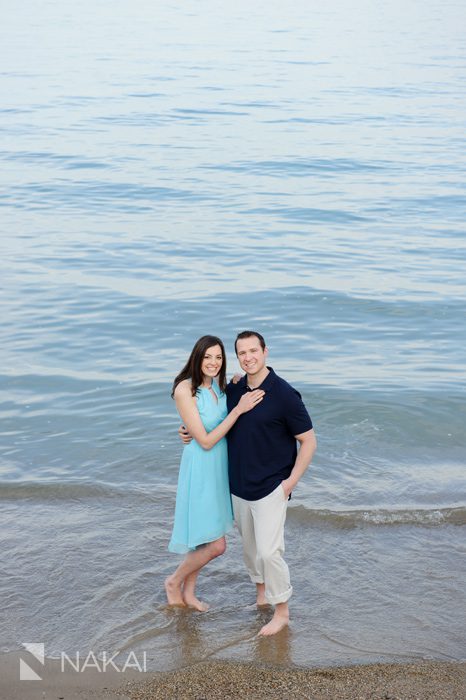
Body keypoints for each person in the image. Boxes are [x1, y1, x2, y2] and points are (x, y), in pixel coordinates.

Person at [179, 331, 316, 635]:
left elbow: (308, 441)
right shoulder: (235, 389)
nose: (248, 357)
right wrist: (186, 430)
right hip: (238, 486)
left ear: (265, 352)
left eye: (254, 351)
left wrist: (291, 482)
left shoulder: (284, 394)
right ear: (237, 357)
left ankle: (282, 612)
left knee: (269, 552)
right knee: (252, 551)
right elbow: (211, 420)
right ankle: (261, 598)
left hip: (272, 487)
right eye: (242, 353)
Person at [165, 335, 264, 612]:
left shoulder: (220, 388)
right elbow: (206, 441)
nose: (213, 362)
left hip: (220, 469)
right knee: (216, 545)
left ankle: (190, 592)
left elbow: (215, 422)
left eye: (218, 357)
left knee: (206, 538)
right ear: (197, 357)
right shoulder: (185, 390)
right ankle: (174, 582)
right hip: (200, 468)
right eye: (207, 356)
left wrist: (236, 389)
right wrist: (239, 411)